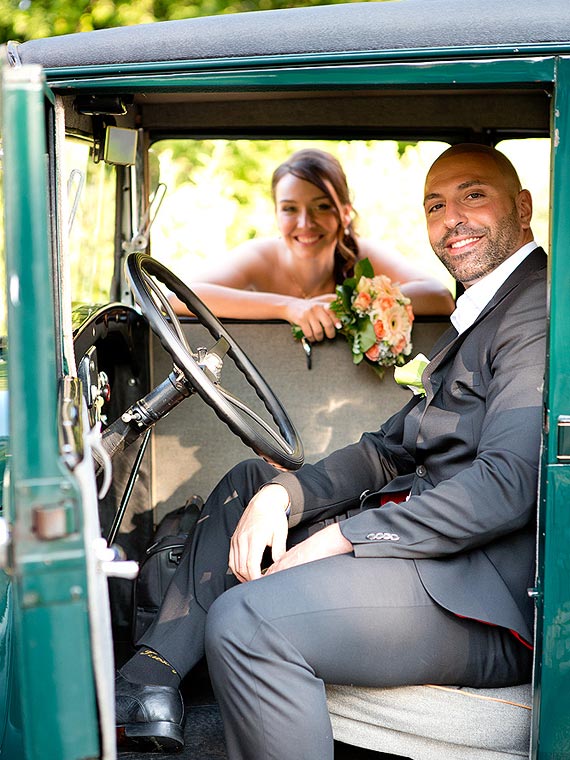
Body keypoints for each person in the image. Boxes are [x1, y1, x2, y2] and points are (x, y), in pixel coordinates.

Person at [116, 143, 546, 758]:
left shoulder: (535, 312)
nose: (452, 218)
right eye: (435, 204)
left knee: (248, 624)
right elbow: (387, 450)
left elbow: (507, 485)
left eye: (473, 196)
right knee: (248, 488)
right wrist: (284, 495)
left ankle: (157, 681)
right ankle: (149, 682)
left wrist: (344, 537)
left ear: (523, 207)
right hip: (439, 558)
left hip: (484, 596)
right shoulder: (484, 311)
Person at [170, 149, 455, 342]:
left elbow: (439, 297)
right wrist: (289, 308)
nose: (305, 223)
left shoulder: (361, 255)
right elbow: (174, 296)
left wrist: (354, 303)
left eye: (321, 207)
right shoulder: (259, 256)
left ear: (345, 212)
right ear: (276, 214)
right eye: (290, 209)